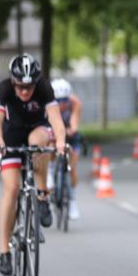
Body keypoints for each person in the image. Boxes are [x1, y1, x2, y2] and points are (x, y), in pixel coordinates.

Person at [0, 54, 67, 276]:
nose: (25, 91)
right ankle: (4, 251)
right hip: (11, 135)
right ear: (13, 82)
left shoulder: (44, 88)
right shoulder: (4, 89)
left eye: (29, 86)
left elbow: (55, 120)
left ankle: (42, 195)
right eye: (21, 87)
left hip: (37, 129)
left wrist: (61, 142)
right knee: (12, 189)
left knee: (37, 144)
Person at [52, 78, 82, 220]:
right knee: (48, 148)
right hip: (53, 135)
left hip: (69, 135)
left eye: (64, 100)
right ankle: (50, 175)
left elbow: (74, 123)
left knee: (72, 167)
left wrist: (71, 130)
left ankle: (72, 199)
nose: (61, 104)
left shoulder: (75, 103)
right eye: (58, 101)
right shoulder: (48, 105)